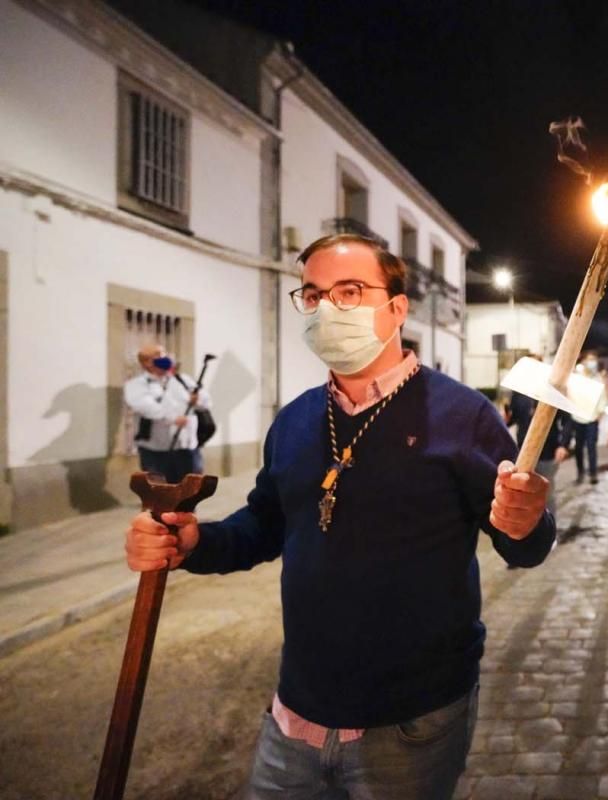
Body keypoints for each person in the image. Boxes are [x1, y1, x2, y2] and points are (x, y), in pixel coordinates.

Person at [123, 234, 554, 799]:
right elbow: (264, 525)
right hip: (297, 709)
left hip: (412, 717)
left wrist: (525, 519)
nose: (328, 308)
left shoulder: (462, 416)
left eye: (349, 291)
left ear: (397, 308)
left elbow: (524, 543)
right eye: (314, 294)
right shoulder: (296, 420)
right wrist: (191, 543)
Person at [123, 343, 212, 483]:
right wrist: (173, 418)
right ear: (146, 363)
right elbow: (146, 407)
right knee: (160, 493)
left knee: (191, 491)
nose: (164, 358)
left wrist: (197, 400)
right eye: (157, 355)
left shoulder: (182, 379)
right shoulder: (137, 385)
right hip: (156, 450)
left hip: (187, 447)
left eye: (164, 354)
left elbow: (206, 401)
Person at [510, 382, 573, 517]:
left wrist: (563, 445)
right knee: (524, 495)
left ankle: (549, 532)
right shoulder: (519, 393)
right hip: (523, 454)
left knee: (546, 495)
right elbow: (513, 417)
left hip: (547, 452)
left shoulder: (552, 392)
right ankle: (529, 533)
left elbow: (567, 420)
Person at [571, 354, 602, 484]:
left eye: (593, 360)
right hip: (577, 417)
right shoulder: (576, 376)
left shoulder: (597, 378)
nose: (591, 362)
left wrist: (599, 413)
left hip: (592, 418)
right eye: (589, 360)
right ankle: (580, 472)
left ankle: (593, 473)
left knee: (591, 446)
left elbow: (602, 396)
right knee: (578, 448)